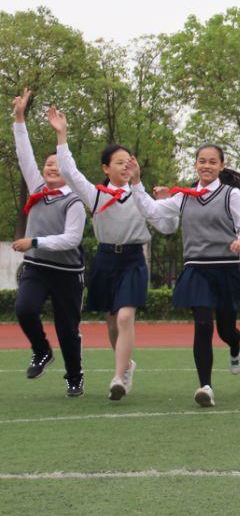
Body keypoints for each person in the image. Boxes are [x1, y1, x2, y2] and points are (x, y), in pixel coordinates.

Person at [48, 106, 177, 400]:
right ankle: (127, 363)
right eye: (118, 163)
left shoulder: (140, 195)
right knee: (111, 322)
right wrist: (62, 134)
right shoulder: (95, 194)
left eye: (128, 162)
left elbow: (168, 227)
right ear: (106, 168)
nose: (124, 166)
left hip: (133, 260)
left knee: (125, 317)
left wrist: (163, 201)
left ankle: (119, 378)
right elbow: (69, 171)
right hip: (106, 259)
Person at [128, 144, 240, 408]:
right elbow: (153, 212)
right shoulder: (184, 196)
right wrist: (137, 183)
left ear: (221, 166)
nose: (206, 166)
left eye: (212, 162)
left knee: (226, 329)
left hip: (225, 268)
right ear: (196, 164)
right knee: (202, 324)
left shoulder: (231, 195)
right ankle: (205, 386)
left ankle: (235, 346)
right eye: (202, 161)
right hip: (196, 267)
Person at [11, 89, 87, 397]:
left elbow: (71, 240)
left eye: (58, 165)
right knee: (25, 309)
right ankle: (42, 350)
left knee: (67, 330)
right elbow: (24, 153)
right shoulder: (37, 187)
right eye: (48, 164)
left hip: (68, 273)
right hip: (37, 267)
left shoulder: (75, 202)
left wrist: (34, 241)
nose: (51, 168)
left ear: (67, 171)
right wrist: (19, 117)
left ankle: (74, 376)